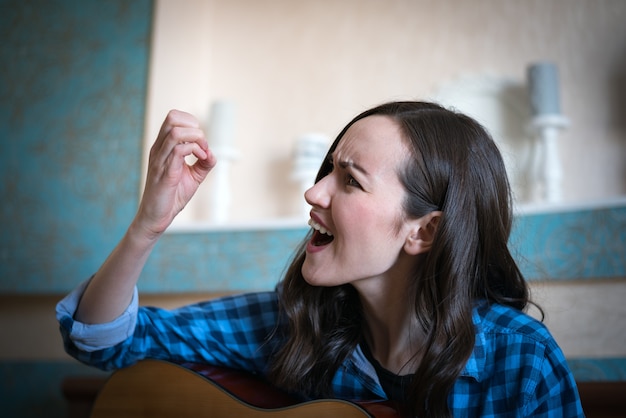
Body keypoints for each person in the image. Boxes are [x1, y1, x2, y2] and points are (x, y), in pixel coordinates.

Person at [57, 101, 584, 417]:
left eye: (350, 181)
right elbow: (104, 341)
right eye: (328, 170)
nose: (314, 193)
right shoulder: (290, 324)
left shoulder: (522, 363)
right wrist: (149, 224)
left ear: (423, 231)